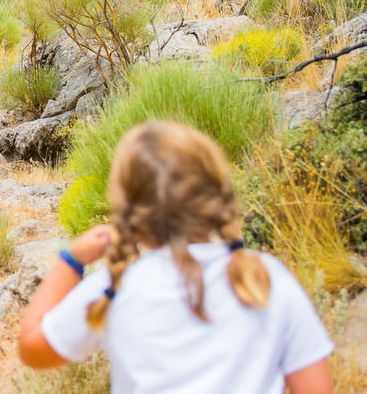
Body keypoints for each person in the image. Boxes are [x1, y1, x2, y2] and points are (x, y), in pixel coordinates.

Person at [18, 121, 333, 394]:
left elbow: (32, 348)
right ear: (211, 195)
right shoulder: (265, 277)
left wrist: (71, 261)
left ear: (128, 213)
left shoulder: (114, 288)